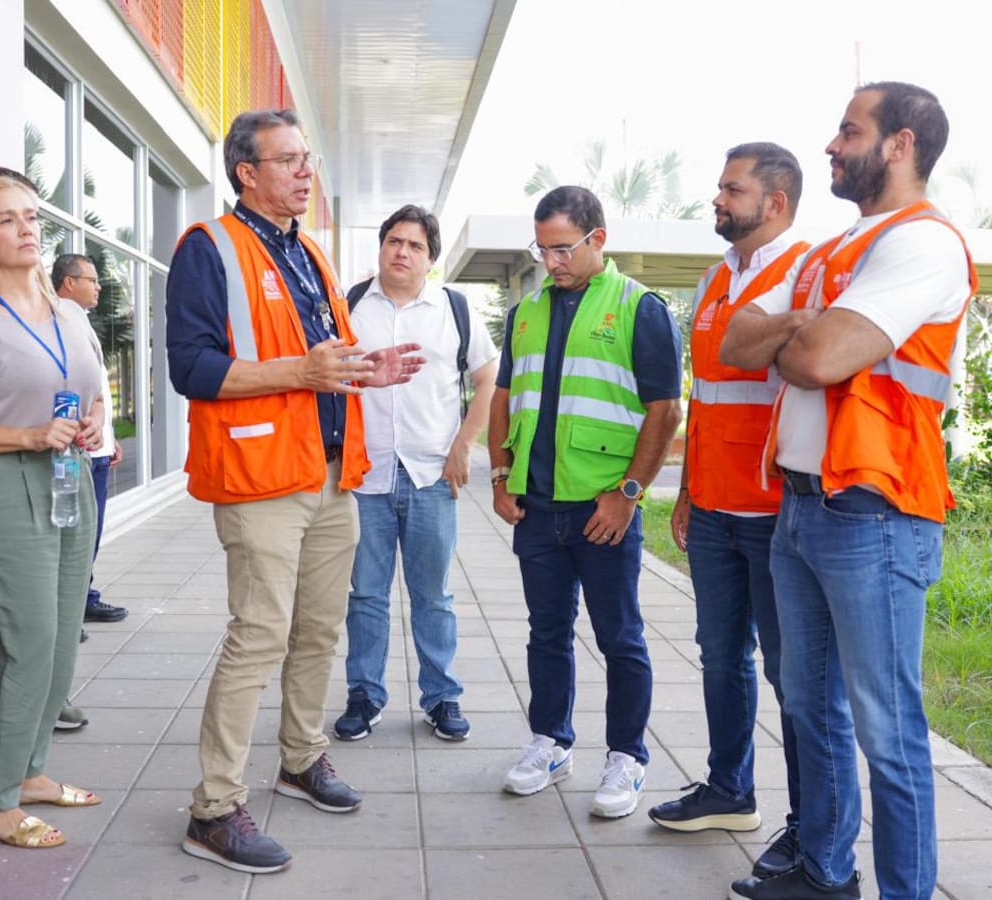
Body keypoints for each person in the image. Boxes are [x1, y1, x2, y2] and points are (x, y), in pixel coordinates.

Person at [720, 82, 978, 900]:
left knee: (886, 729)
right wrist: (810, 324)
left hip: (876, 510)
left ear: (900, 144)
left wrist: (801, 330)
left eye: (848, 130)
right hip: (802, 504)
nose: (831, 146)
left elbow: (815, 362)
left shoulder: (924, 243)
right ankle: (826, 872)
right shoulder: (836, 251)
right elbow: (734, 339)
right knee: (808, 705)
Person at [165, 108, 424, 874]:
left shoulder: (307, 250)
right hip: (259, 481)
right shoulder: (207, 248)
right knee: (260, 636)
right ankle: (213, 809)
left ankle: (302, 758)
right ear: (247, 171)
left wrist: (362, 370)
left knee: (318, 631)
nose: (306, 172)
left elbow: (321, 359)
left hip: (329, 474)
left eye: (308, 159)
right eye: (289, 161)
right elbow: (192, 367)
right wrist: (302, 373)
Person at [489, 186, 682, 819]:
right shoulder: (526, 312)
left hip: (603, 510)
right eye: (541, 249)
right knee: (546, 633)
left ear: (598, 239)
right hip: (537, 508)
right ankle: (550, 742)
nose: (551, 262)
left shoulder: (639, 308)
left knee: (619, 637)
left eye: (563, 248)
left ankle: (628, 758)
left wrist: (628, 495)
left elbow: (664, 410)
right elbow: (502, 395)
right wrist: (500, 473)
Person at [646, 143, 808, 869]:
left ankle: (812, 825)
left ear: (773, 202)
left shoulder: (807, 271)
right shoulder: (714, 278)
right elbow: (704, 397)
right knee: (721, 658)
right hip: (713, 508)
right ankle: (729, 790)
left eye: (730, 189)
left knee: (792, 672)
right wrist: (685, 492)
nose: (717, 199)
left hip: (779, 511)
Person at [334, 204, 497, 743]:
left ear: (431, 257)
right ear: (381, 247)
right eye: (394, 242)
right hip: (365, 476)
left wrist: (464, 446)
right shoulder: (349, 305)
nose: (402, 252)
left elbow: (488, 379)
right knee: (366, 594)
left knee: (434, 595)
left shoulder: (453, 309)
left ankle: (442, 697)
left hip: (432, 475)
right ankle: (365, 695)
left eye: (415, 246)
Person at [0, 173, 106, 850]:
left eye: (32, 216)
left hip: (69, 477)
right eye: (7, 220)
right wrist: (27, 434)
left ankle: (27, 774)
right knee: (22, 649)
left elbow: (86, 391)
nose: (27, 228)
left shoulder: (70, 315)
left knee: (59, 646)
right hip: (3, 482)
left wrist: (87, 424)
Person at [52, 254, 128, 627]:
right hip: (78, 448)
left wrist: (109, 437)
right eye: (91, 279)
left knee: (88, 533)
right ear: (68, 282)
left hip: (94, 445)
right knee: (77, 534)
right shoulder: (61, 319)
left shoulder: (78, 320)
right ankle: (72, 608)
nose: (98, 286)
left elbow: (96, 388)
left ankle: (82, 599)